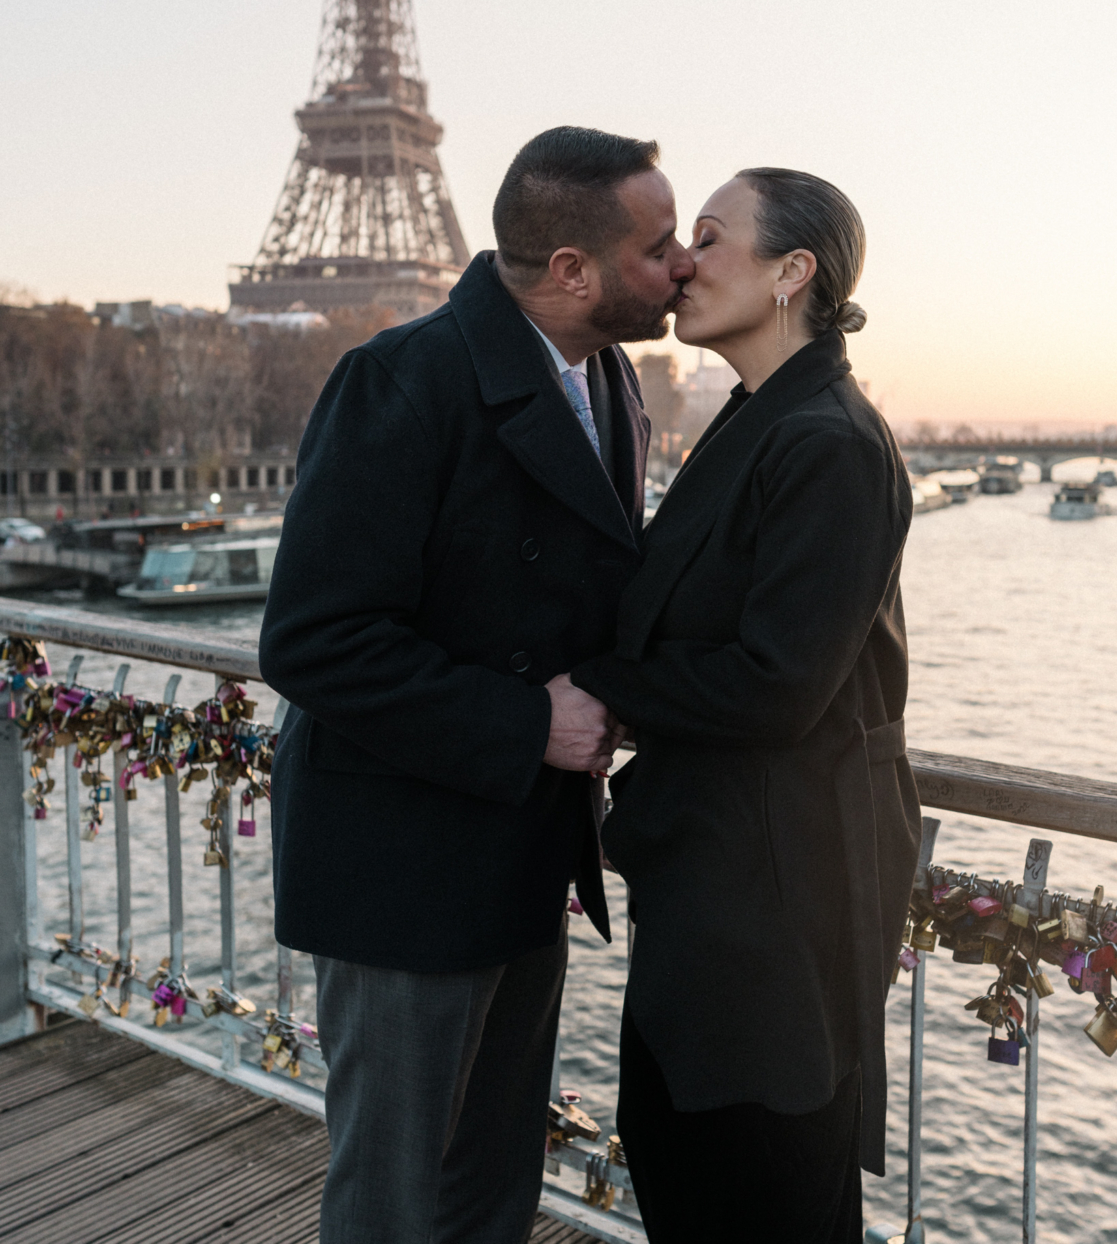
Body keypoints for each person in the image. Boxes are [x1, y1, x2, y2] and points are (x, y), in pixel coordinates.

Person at [259, 126, 694, 1244]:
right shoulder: (398, 380)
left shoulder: (609, 381)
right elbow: (311, 639)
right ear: (569, 272)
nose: (681, 265)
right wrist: (526, 719)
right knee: (395, 1198)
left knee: (493, 1179)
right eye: (656, 248)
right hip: (402, 858)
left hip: (517, 840)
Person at [572, 167, 921, 1244]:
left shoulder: (827, 441)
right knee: (693, 1169)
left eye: (710, 239)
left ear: (790, 274)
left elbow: (777, 685)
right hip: (721, 876)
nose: (681, 261)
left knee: (753, 1187)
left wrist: (596, 692)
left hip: (776, 901)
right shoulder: (764, 418)